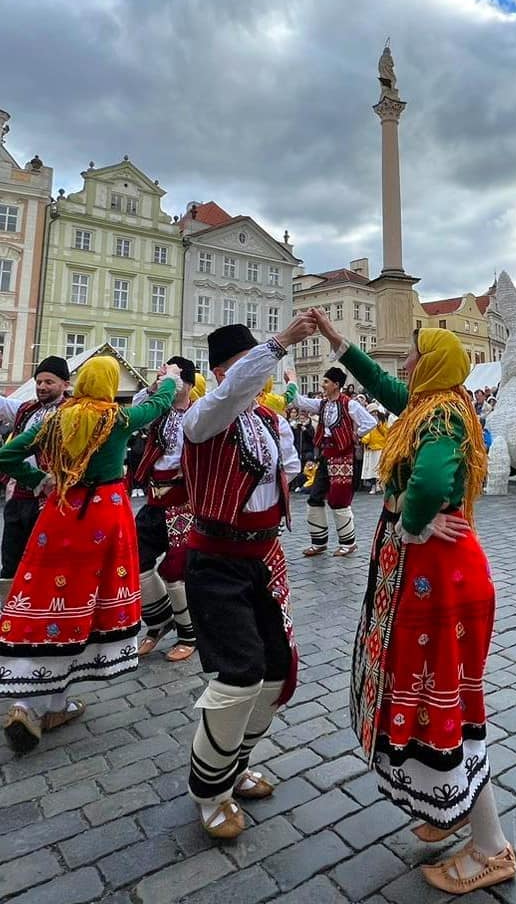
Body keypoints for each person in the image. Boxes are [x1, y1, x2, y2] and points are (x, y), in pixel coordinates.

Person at [311, 307, 516, 896]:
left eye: (413, 352)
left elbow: (428, 482)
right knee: (431, 690)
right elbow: (381, 383)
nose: (403, 360)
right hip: (429, 568)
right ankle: (443, 798)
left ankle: (490, 845)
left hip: (437, 568)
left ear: (432, 363)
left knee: (446, 696)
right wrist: (335, 339)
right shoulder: (428, 405)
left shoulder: (443, 415)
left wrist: (416, 524)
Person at [0, 356, 179, 752]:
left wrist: (41, 479)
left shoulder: (54, 418)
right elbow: (158, 405)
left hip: (59, 514)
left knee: (47, 596)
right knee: (84, 602)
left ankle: (34, 702)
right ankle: (53, 701)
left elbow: (7, 456)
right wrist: (169, 379)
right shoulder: (114, 418)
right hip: (102, 517)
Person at [180, 315, 314, 840]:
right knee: (239, 675)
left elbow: (282, 468)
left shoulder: (261, 419)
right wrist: (281, 344)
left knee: (276, 671)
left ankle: (234, 766)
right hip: (216, 562)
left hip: (260, 558)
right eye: (244, 365)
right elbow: (231, 395)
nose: (257, 374)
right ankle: (208, 790)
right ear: (220, 373)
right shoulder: (204, 416)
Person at [133, 357, 205, 663]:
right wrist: (157, 385)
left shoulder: (200, 413)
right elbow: (135, 413)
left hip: (184, 504)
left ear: (187, 384)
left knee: (176, 571)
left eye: (174, 376)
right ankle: (159, 622)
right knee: (137, 561)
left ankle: (190, 634)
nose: (167, 379)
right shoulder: (157, 409)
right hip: (154, 501)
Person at [0, 356, 71, 599]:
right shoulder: (26, 408)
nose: (41, 386)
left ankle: (40, 614)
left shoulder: (73, 413)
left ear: (65, 384)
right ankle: (9, 615)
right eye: (39, 381)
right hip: (18, 496)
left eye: (49, 382)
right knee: (10, 560)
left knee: (43, 560)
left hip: (50, 498)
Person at [286, 368, 376, 557]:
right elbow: (297, 400)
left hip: (343, 456)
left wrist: (355, 435)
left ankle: (348, 543)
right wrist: (292, 381)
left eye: (326, 382)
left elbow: (370, 422)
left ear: (336, 385)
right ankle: (319, 542)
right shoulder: (322, 404)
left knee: (339, 500)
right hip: (327, 456)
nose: (323, 385)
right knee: (315, 496)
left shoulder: (349, 405)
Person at [360, 406, 389, 491]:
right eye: (371, 412)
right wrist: (363, 440)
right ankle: (373, 486)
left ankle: (378, 485)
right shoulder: (367, 421)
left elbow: (386, 433)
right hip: (371, 447)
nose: (373, 414)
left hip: (380, 447)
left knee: (378, 468)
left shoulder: (383, 421)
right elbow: (367, 433)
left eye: (374, 412)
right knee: (371, 470)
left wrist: (379, 426)